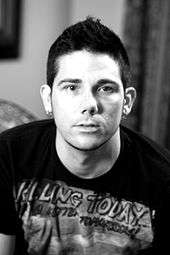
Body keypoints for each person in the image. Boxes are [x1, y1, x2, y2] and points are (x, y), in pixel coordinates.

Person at [0, 16, 170, 255]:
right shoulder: (8, 156)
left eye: (105, 88)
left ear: (127, 101)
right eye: (71, 87)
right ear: (48, 99)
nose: (89, 104)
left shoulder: (163, 179)